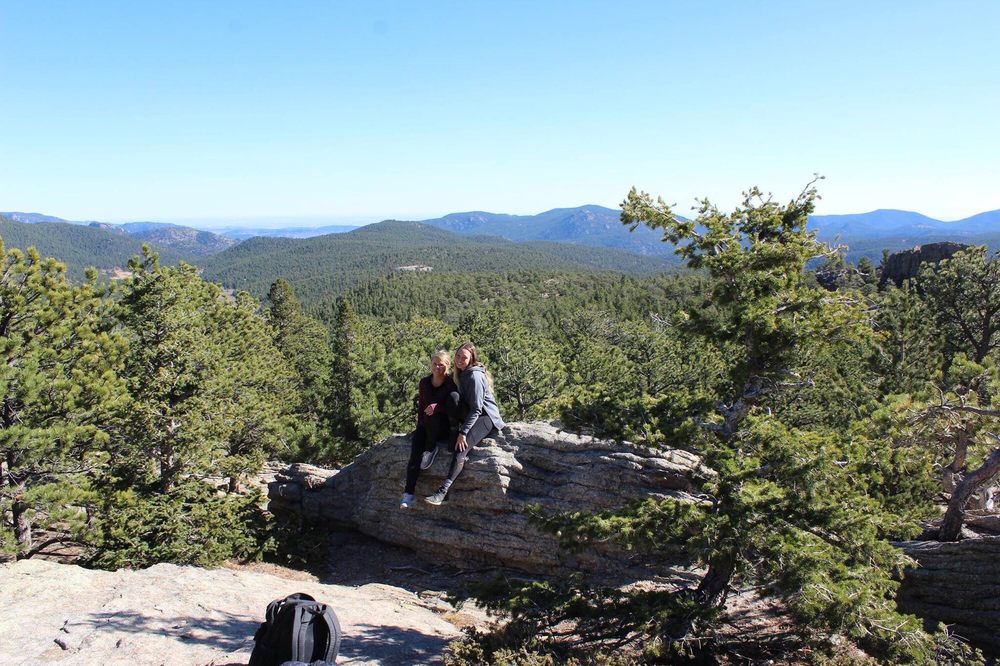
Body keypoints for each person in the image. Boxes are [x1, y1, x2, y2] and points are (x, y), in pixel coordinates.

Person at [425, 341, 505, 506]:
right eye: (458, 356)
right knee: (452, 398)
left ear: (471, 359)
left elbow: (477, 409)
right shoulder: (462, 373)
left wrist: (464, 433)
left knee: (460, 449)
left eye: (464, 357)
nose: (460, 359)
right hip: (473, 414)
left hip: (486, 418)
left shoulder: (474, 376)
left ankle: (443, 492)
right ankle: (449, 433)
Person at [400, 350, 458, 509]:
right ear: (431, 365)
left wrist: (437, 407)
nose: (437, 367)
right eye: (435, 364)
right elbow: (422, 407)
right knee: (415, 453)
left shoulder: (451, 383)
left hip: (443, 427)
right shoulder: (424, 382)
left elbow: (453, 406)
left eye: (442, 364)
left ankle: (431, 449)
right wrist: (419, 426)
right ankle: (408, 494)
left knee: (433, 414)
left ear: (447, 366)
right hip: (426, 424)